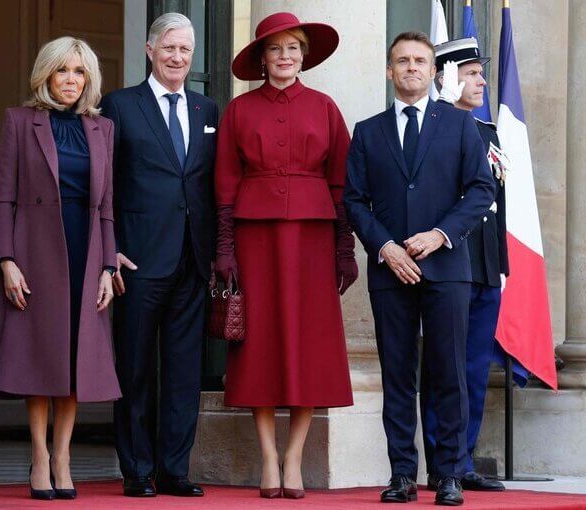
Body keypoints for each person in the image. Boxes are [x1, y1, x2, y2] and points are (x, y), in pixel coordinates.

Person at [343, 31, 494, 506]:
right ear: (390, 71)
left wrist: (440, 234)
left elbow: (481, 191)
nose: (411, 67)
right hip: (391, 271)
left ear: (434, 72)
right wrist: (385, 246)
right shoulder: (368, 131)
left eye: (420, 61)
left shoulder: (459, 126)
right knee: (397, 375)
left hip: (447, 268)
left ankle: (448, 473)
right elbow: (353, 200)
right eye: (402, 61)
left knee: (448, 370)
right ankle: (403, 475)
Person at [214, 11, 356, 500]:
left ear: (304, 55)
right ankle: (267, 458)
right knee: (258, 346)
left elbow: (341, 182)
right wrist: (225, 249)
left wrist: (344, 249)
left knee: (308, 346)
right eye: (275, 49)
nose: (285, 57)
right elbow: (226, 184)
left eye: (293, 48)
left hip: (314, 238)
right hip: (255, 240)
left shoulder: (325, 107)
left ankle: (293, 458)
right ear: (261, 58)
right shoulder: (238, 110)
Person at [0, 36, 120, 501]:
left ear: (89, 79)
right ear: (46, 75)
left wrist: (108, 264)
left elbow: (107, 206)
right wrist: (6, 259)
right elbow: (3, 196)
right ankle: (39, 456)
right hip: (35, 252)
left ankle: (63, 457)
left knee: (75, 357)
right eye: (62, 71)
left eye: (79, 72)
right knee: (41, 355)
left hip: (86, 250)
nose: (71, 80)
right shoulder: (20, 122)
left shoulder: (103, 129)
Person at [100, 12, 218, 498]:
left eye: (185, 50)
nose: (177, 58)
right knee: (136, 368)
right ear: (150, 50)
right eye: (168, 48)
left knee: (184, 371)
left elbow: (208, 184)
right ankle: (137, 469)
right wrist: (112, 250)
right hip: (138, 260)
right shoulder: (120, 106)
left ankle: (175, 469)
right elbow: (103, 185)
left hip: (193, 259)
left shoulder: (207, 109)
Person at [420, 37, 509, 493]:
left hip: (485, 268)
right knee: (443, 366)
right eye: (470, 72)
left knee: (474, 368)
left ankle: (464, 458)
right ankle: (442, 462)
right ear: (444, 76)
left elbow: (497, 207)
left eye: (480, 72)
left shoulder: (487, 131)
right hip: (450, 262)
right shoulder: (431, 129)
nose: (480, 81)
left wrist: (503, 268)